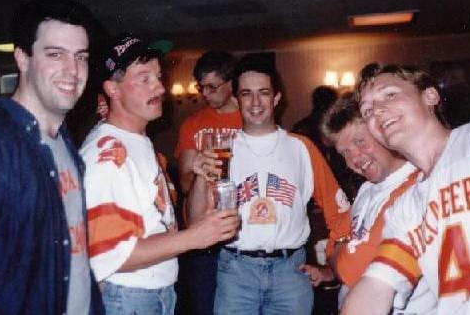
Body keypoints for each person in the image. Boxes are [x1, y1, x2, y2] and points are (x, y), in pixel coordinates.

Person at [0, 0, 104, 314]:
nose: (73, 71)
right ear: (23, 59)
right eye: (55, 54)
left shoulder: (66, 144)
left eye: (81, 57)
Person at [341, 63, 470, 314]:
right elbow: (376, 287)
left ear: (430, 95)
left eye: (390, 94)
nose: (377, 111)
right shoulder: (405, 210)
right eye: (367, 110)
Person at [80, 34, 240, 315]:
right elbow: (112, 253)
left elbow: (158, 220)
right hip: (129, 297)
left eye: (158, 76)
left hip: (155, 292)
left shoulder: (138, 142)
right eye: (144, 78)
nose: (160, 87)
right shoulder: (106, 155)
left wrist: (200, 175)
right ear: (112, 89)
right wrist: (194, 237)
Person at [188, 53, 352, 315]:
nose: (255, 102)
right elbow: (195, 221)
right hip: (236, 272)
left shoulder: (302, 148)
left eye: (263, 93)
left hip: (291, 273)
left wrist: (332, 268)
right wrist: (198, 176)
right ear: (236, 99)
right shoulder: (222, 149)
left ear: (276, 99)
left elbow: (340, 214)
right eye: (246, 94)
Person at [299, 98, 436, 313]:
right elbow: (336, 249)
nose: (354, 158)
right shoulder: (367, 190)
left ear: (381, 132)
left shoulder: (415, 187)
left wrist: (341, 251)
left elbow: (351, 268)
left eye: (360, 142)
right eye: (344, 152)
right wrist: (330, 269)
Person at [174, 50, 242, 315]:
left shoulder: (250, 119)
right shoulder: (193, 124)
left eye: (212, 87)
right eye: (201, 87)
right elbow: (185, 182)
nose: (204, 94)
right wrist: (201, 168)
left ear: (231, 84)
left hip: (240, 230)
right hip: (203, 231)